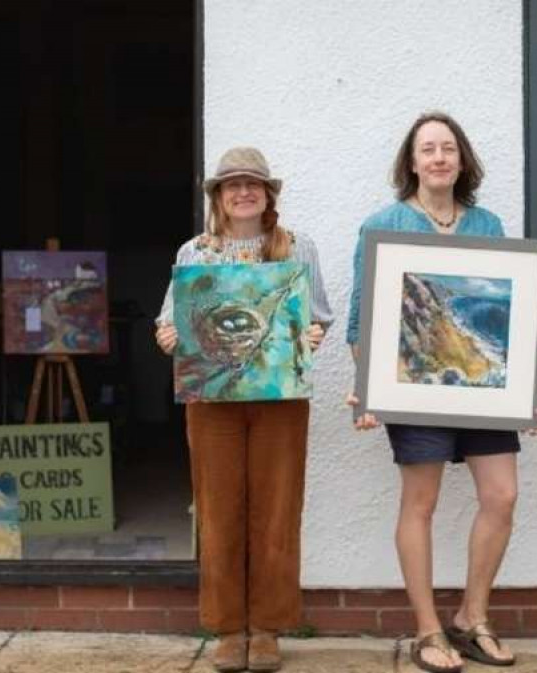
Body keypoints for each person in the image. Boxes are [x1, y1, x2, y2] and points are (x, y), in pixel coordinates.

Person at [346, 111, 537, 673]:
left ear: (462, 160)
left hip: (484, 388)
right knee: (421, 503)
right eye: (427, 149)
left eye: (448, 148)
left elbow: (511, 318)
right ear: (411, 163)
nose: (438, 157)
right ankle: (428, 630)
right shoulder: (382, 224)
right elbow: (360, 320)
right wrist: (369, 390)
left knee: (502, 495)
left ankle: (471, 617)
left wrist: (529, 389)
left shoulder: (487, 224)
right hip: (411, 388)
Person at [155, 147, 333, 673]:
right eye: (231, 185)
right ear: (217, 197)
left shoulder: (298, 248)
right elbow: (169, 321)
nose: (242, 192)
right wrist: (168, 336)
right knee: (219, 510)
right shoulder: (195, 253)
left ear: (268, 193)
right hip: (213, 402)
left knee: (277, 511)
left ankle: (269, 628)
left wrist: (315, 333)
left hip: (280, 401)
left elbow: (316, 315)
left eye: (252, 183)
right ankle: (229, 628)